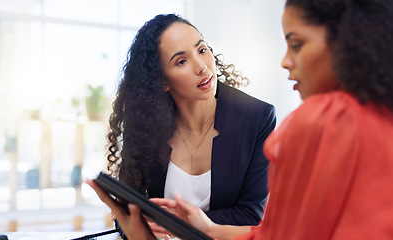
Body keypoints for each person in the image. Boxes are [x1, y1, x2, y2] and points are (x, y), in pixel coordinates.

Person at [88, 0, 393, 239]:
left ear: (349, 43)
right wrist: (206, 230)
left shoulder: (321, 121)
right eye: (180, 60)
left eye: (296, 44)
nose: (285, 61)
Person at [99, 13, 276, 238]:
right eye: (181, 61)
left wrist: (170, 222)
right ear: (162, 81)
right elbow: (127, 218)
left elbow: (251, 215)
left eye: (202, 50)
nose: (202, 67)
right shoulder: (145, 125)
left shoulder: (257, 117)